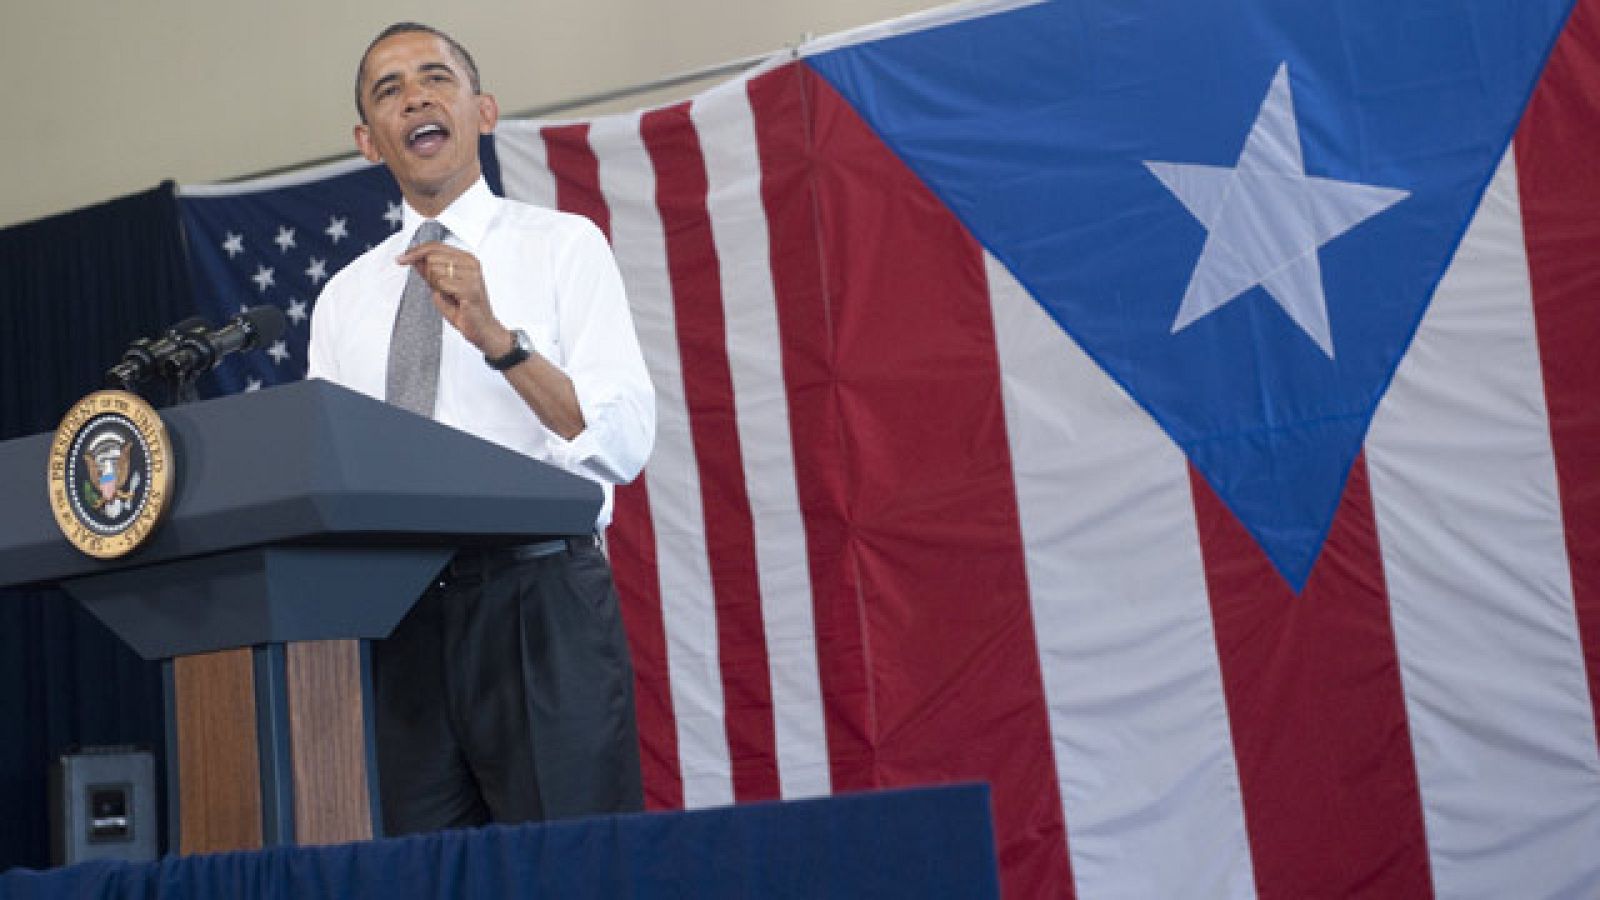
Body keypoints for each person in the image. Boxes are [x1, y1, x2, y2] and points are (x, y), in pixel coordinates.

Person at [307, 21, 655, 835]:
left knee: (572, 866)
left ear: (484, 110)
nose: (415, 98)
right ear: (369, 142)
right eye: (389, 91)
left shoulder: (563, 247)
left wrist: (500, 341)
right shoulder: (343, 299)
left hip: (538, 603)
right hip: (398, 619)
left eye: (436, 78)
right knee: (421, 875)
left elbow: (624, 442)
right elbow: (330, 475)